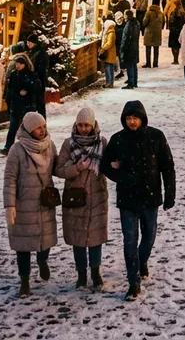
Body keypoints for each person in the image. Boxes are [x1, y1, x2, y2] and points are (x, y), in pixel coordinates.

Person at [101, 101, 175, 301]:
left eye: (135, 118)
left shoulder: (156, 137)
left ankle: (142, 262)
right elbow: (105, 165)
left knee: (149, 237)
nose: (132, 122)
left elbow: (167, 167)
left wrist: (170, 195)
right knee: (129, 240)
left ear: (142, 118)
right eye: (128, 118)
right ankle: (133, 283)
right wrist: (119, 175)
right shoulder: (118, 140)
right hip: (128, 199)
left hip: (151, 197)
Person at [3, 112, 58, 298]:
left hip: (45, 202)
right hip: (24, 204)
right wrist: (9, 205)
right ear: (28, 129)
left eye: (44, 126)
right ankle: (24, 281)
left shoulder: (50, 145)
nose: (42, 130)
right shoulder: (17, 150)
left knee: (46, 238)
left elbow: (58, 168)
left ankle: (43, 261)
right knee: (23, 246)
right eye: (38, 127)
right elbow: (10, 179)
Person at [56, 107, 108, 291]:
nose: (83, 129)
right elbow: (59, 169)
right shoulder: (68, 144)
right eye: (80, 125)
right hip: (75, 197)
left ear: (93, 124)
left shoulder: (102, 143)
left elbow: (108, 165)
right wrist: (76, 167)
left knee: (95, 237)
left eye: (87, 125)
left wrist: (115, 165)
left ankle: (96, 272)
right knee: (78, 238)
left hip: (96, 197)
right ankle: (81, 274)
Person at [1, 55, 44, 155]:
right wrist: (16, 93)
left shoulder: (31, 75)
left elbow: (36, 88)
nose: (17, 66)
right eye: (16, 64)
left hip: (27, 105)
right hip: (16, 105)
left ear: (25, 64)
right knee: (13, 127)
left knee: (29, 128)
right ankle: (8, 147)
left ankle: (32, 146)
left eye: (20, 64)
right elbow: (11, 88)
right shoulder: (13, 74)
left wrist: (27, 91)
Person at [120, 10, 141, 89]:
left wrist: (123, 48)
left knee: (129, 65)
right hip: (135, 46)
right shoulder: (136, 23)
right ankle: (134, 81)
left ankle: (131, 83)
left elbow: (126, 38)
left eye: (125, 15)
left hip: (129, 48)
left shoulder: (129, 25)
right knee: (134, 65)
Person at [141, 2, 164, 69]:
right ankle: (155, 63)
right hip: (157, 33)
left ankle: (148, 63)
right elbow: (163, 23)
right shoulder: (161, 13)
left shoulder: (148, 13)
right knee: (156, 49)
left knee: (148, 48)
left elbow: (145, 22)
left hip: (149, 33)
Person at [98, 15, 118, 87]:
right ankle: (110, 82)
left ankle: (109, 83)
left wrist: (103, 48)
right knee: (109, 67)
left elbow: (109, 43)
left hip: (109, 53)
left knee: (108, 68)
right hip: (109, 53)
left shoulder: (111, 33)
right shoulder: (110, 32)